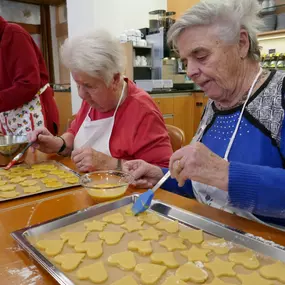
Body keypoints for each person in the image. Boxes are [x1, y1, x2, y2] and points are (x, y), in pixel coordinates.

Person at [123, 0, 285, 229]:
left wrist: (225, 173)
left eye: (201, 56)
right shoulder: (214, 104)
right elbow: (205, 188)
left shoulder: (280, 95)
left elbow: (220, 177)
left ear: (241, 43)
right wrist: (161, 177)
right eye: (185, 61)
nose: (190, 72)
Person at [28, 30, 172, 172]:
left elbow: (164, 173)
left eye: (88, 86)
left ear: (114, 79)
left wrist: (111, 164)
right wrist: (58, 143)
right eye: (78, 84)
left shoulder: (143, 112)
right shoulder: (92, 100)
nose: (81, 94)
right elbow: (74, 134)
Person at [0, 17, 59, 135]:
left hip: (32, 113)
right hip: (8, 117)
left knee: (36, 152)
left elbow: (28, 84)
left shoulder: (13, 34)